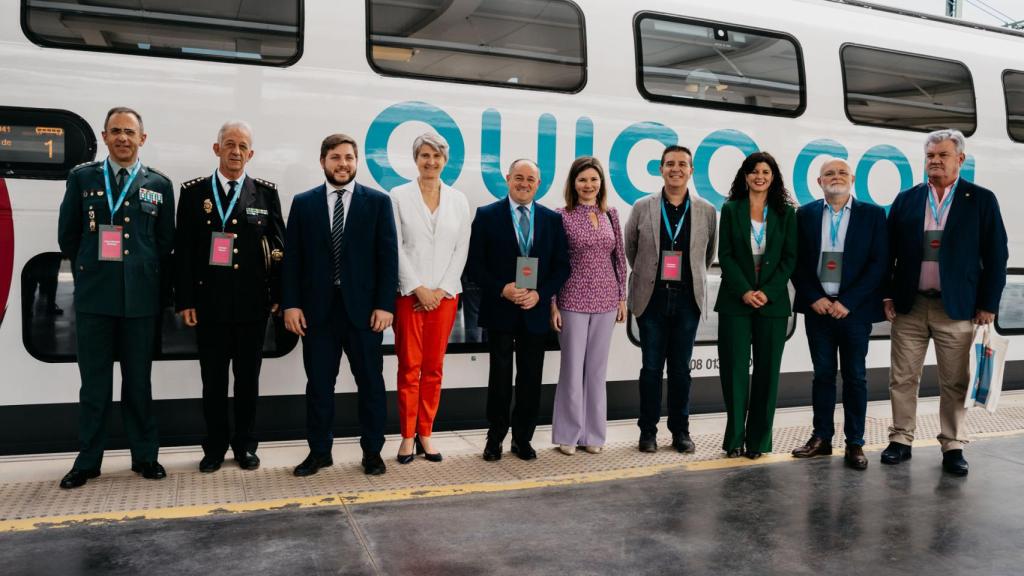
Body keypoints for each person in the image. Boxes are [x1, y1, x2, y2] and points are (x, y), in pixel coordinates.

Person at [56, 107, 175, 488]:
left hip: (140, 302)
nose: (123, 138)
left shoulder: (159, 184)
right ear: (104, 137)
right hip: (95, 300)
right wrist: (93, 270)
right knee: (94, 385)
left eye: (130, 131)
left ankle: (145, 456)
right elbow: (68, 236)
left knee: (139, 383)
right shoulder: (82, 178)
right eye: (116, 131)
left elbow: (164, 242)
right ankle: (88, 460)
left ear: (143, 138)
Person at [882, 129, 1008, 476]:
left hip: (957, 308)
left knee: (955, 380)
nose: (935, 161)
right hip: (910, 304)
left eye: (942, 155)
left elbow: (997, 256)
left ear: (960, 160)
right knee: (903, 377)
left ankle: (953, 444)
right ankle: (901, 439)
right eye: (930, 156)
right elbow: (887, 251)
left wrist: (988, 305)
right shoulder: (907, 199)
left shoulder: (980, 200)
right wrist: (888, 293)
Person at [282, 133, 398, 477]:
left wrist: (384, 305)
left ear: (356, 162)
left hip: (364, 314)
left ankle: (373, 452)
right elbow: (292, 260)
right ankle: (319, 452)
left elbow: (387, 257)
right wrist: (291, 304)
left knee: (371, 385)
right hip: (317, 313)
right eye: (335, 157)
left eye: (349, 157)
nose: (343, 163)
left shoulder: (377, 202)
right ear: (323, 162)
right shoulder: (303, 203)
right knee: (319, 386)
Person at [175, 121, 285, 473]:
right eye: (229, 144)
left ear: (251, 154)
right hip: (209, 307)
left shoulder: (265, 194)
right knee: (213, 382)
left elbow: (279, 249)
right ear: (216, 148)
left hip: (253, 308)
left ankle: (245, 445)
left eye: (243, 146)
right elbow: (184, 252)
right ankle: (214, 447)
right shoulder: (193, 194)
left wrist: (277, 294)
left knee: (248, 381)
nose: (236, 152)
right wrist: (186, 300)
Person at [468, 159, 569, 461]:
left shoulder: (552, 220)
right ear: (508, 179)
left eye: (531, 179)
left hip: (534, 311)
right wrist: (503, 288)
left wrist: (540, 295)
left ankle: (522, 438)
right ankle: (495, 437)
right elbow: (474, 266)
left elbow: (562, 267)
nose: (524, 184)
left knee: (530, 378)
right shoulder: (487, 216)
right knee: (499, 378)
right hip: (501, 308)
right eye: (519, 178)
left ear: (539, 184)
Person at [790, 159, 887, 470]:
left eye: (841, 172)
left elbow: (878, 263)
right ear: (819, 182)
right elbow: (797, 261)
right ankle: (821, 437)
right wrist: (814, 296)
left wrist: (849, 301)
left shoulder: (872, 215)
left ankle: (855, 443)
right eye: (829, 174)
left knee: (856, 377)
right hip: (818, 309)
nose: (836, 177)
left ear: (853, 178)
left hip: (853, 312)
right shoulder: (804, 214)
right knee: (823, 376)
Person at [624, 146, 717, 454]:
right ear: (661, 169)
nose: (675, 169)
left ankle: (681, 432)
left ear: (691, 170)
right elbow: (631, 249)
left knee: (681, 370)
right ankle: (647, 432)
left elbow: (707, 255)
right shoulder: (642, 206)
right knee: (650, 368)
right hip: (652, 299)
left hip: (688, 300)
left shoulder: (706, 210)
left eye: (682, 164)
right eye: (669, 164)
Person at [390, 133, 471, 464]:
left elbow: (461, 248)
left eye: (437, 156)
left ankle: (427, 432)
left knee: (434, 367)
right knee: (409, 367)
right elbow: (394, 246)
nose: (431, 162)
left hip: (445, 297)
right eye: (424, 155)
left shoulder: (459, 200)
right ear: (415, 159)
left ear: (445, 161)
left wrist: (440, 290)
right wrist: (417, 287)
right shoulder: (397, 196)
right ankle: (407, 436)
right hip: (409, 296)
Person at [716, 151, 797, 459]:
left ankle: (759, 442)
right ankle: (734, 439)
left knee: (767, 371)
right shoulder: (731, 209)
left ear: (773, 177)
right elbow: (725, 255)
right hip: (737, 301)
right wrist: (745, 291)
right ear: (745, 176)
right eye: (754, 171)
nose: (759, 176)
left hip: (772, 303)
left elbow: (790, 258)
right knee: (734, 370)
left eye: (765, 171)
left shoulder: (786, 212)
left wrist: (767, 291)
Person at [550, 156, 626, 455]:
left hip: (606, 301)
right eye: (582, 179)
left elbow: (619, 258)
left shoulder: (612, 215)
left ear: (601, 183)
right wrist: (553, 304)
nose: (588, 185)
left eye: (594, 179)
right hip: (572, 300)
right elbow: (554, 262)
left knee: (596, 370)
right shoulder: (561, 216)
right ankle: (568, 434)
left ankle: (594, 434)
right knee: (571, 369)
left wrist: (622, 298)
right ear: (573, 183)